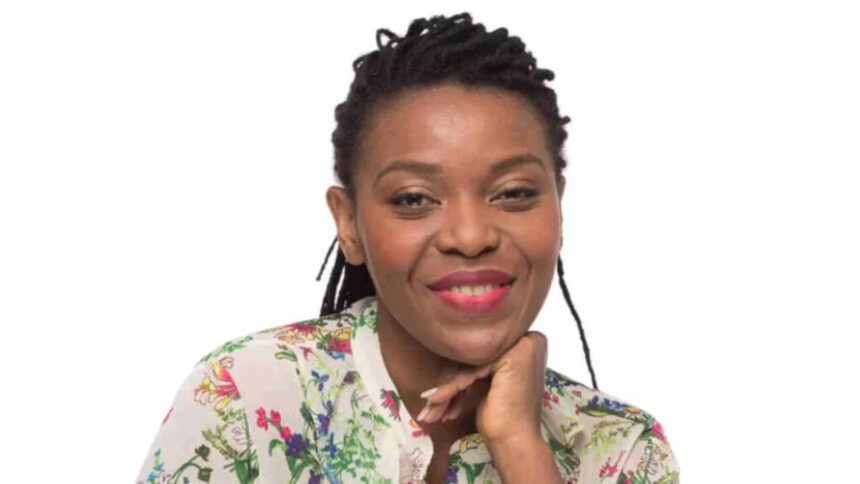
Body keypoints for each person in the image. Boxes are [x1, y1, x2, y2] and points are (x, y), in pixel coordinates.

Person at [135, 12, 680, 484]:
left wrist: (520, 447)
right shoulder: (244, 397)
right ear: (349, 224)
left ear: (558, 208)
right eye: (414, 199)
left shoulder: (623, 449)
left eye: (514, 193)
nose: (470, 237)